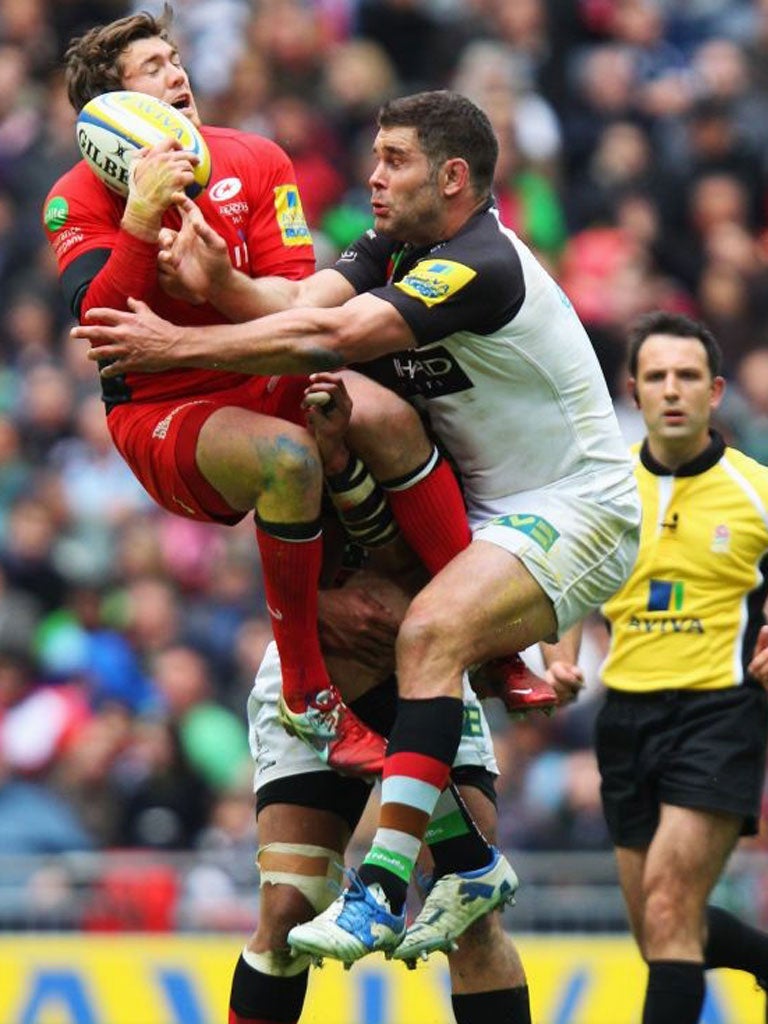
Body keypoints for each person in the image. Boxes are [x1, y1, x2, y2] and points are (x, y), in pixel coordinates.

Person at [72, 89, 641, 962]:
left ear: (453, 178)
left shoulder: (478, 261)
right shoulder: (395, 244)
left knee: (426, 633)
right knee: (385, 489)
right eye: (374, 158)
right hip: (483, 520)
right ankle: (467, 862)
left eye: (396, 162)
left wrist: (172, 350)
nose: (372, 178)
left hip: (576, 505)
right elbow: (306, 303)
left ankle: (380, 891)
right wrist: (221, 284)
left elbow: (327, 336)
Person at [42, 6, 473, 777]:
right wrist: (140, 226)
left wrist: (221, 284)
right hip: (163, 412)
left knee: (384, 410)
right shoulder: (73, 198)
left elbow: (300, 301)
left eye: (174, 57)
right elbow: (102, 326)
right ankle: (306, 695)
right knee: (285, 460)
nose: (177, 72)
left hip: (263, 368)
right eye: (152, 69)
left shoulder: (257, 159)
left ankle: (478, 615)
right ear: (114, 114)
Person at [595, 310, 768, 1024]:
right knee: (662, 935)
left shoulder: (757, 489)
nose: (672, 390)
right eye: (657, 376)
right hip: (624, 716)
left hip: (720, 712)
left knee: (671, 908)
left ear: (716, 390)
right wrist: (554, 654)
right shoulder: (601, 491)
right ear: (633, 390)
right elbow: (558, 585)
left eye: (688, 376)